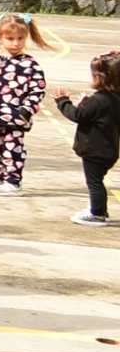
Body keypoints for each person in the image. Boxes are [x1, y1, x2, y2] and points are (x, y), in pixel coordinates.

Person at [0, 14, 60, 198]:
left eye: (20, 39)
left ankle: (13, 181)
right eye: (10, 39)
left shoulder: (30, 65)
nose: (15, 43)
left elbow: (38, 90)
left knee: (13, 148)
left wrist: (26, 111)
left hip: (17, 118)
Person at [55, 51, 119, 227]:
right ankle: (100, 210)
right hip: (110, 150)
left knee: (94, 183)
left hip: (94, 150)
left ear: (101, 78)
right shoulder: (115, 99)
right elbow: (97, 115)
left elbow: (77, 115)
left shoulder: (98, 100)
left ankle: (97, 214)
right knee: (98, 181)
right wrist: (86, 103)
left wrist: (62, 101)